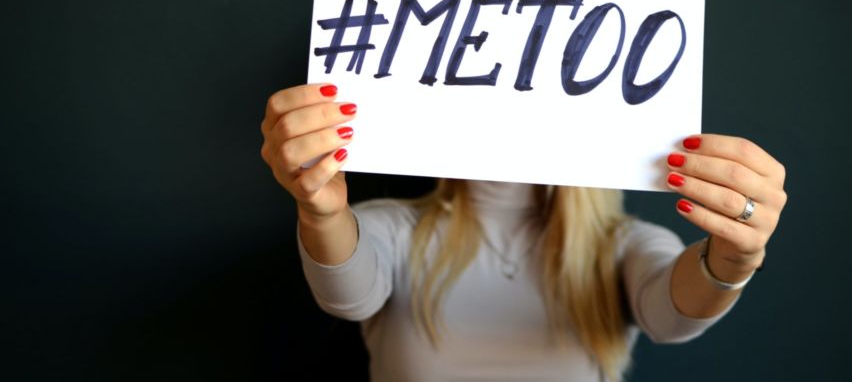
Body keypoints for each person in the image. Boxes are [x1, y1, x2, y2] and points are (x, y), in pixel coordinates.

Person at [259, 83, 788, 382]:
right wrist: (321, 211)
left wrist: (735, 260)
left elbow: (673, 316)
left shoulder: (622, 245)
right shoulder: (394, 228)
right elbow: (346, 293)